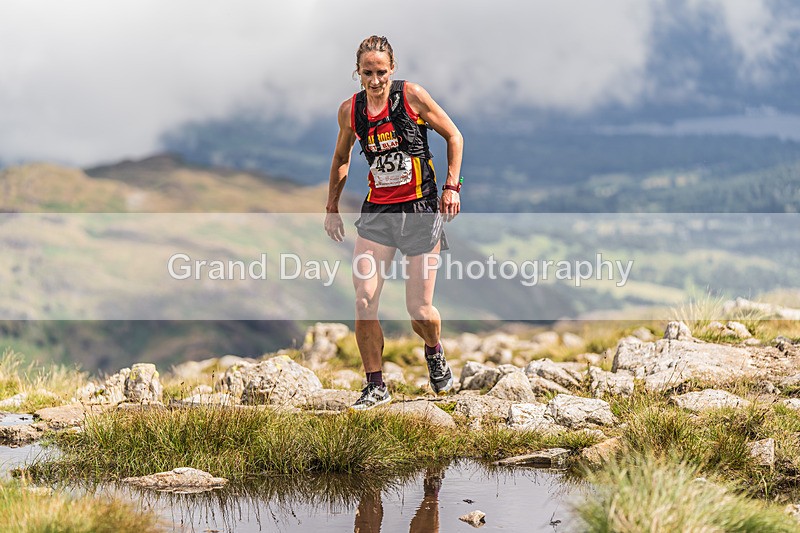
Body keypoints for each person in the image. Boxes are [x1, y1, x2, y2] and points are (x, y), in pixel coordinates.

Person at [325, 35, 464, 410]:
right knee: (364, 299)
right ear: (358, 72)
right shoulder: (350, 111)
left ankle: (433, 351)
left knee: (420, 312)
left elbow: (454, 135)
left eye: (381, 72)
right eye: (367, 73)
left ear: (392, 69)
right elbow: (341, 157)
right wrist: (331, 206)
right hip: (378, 214)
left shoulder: (412, 97)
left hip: (420, 211)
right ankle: (375, 385)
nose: (375, 80)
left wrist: (452, 187)